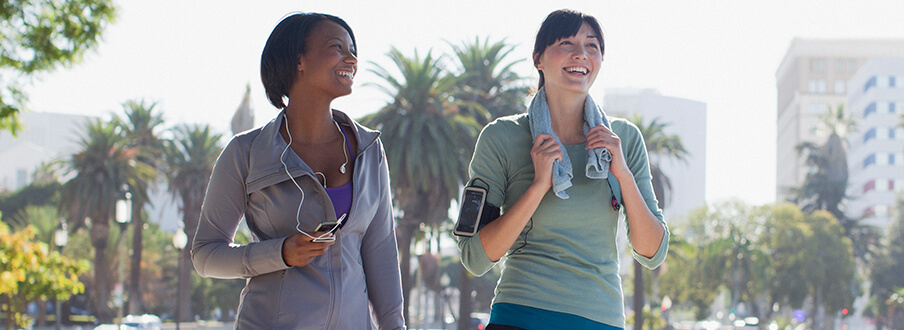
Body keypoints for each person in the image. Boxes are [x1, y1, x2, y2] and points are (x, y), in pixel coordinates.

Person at [456, 9, 669, 330]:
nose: (581, 54)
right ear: (538, 58)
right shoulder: (501, 137)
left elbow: (652, 252)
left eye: (592, 45)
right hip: (520, 315)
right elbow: (475, 257)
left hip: (600, 319)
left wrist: (622, 174)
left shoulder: (623, 139)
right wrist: (539, 185)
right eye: (567, 42)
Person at [191, 12, 405, 329]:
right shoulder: (246, 153)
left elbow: (381, 255)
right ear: (299, 60)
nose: (352, 59)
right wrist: (281, 252)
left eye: (353, 50)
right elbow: (205, 256)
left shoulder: (369, 150)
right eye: (337, 47)